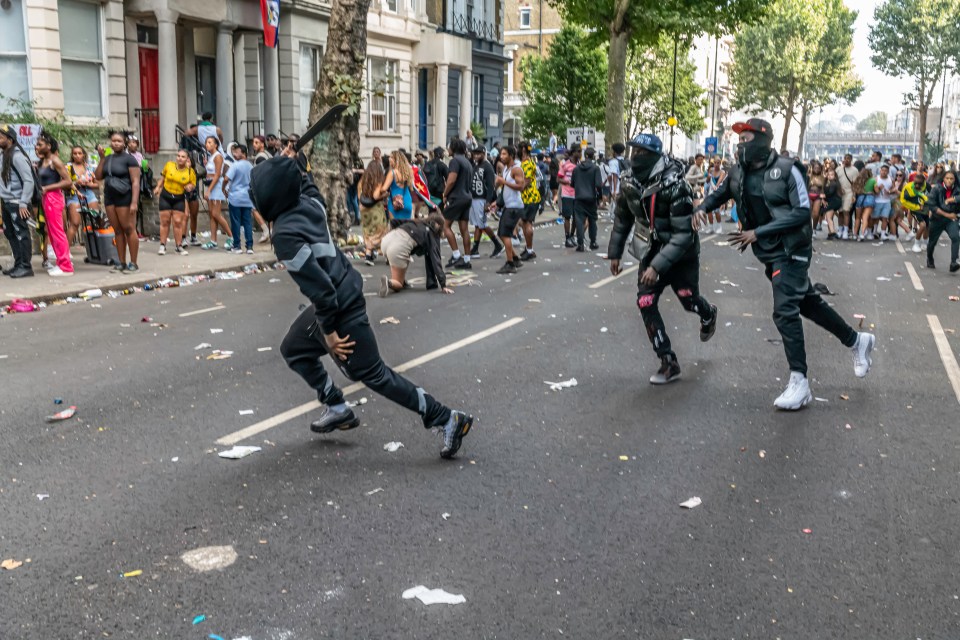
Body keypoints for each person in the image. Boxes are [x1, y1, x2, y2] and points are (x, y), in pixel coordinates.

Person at [250, 154, 473, 458]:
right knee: (294, 348)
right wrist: (294, 165)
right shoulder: (309, 203)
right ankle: (336, 405)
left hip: (338, 305)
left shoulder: (285, 236)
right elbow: (308, 184)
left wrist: (328, 333)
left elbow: (323, 291)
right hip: (342, 291)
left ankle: (446, 418)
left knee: (373, 374)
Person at [696, 119, 875, 410]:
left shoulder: (788, 170)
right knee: (808, 304)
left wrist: (758, 232)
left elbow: (802, 213)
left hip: (793, 249)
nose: (741, 143)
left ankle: (799, 381)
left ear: (763, 140)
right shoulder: (738, 171)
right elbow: (723, 192)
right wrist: (702, 208)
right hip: (769, 252)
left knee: (784, 311)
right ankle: (857, 341)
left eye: (747, 137)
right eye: (739, 139)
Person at [609, 133, 718, 384]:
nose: (635, 157)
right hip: (650, 250)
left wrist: (657, 267)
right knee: (645, 301)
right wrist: (615, 253)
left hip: (681, 255)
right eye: (633, 151)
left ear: (655, 156)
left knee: (688, 299)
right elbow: (622, 218)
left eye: (642, 153)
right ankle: (668, 360)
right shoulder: (628, 182)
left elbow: (683, 235)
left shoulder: (676, 186)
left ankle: (708, 313)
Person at [94, 131, 141, 272]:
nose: (116, 143)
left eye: (119, 141)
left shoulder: (130, 159)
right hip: (110, 197)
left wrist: (134, 202)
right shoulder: (107, 158)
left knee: (129, 228)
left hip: (124, 197)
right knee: (117, 230)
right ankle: (121, 262)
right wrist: (102, 158)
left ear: (124, 143)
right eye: (113, 141)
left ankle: (133, 262)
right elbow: (98, 176)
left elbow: (135, 182)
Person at [379, 213, 455, 296]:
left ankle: (402, 280)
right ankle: (389, 282)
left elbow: (393, 221)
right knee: (398, 283)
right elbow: (436, 259)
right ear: (438, 226)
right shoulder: (431, 233)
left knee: (405, 258)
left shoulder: (416, 222)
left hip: (386, 240)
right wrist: (443, 285)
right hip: (398, 248)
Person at [35, 131, 74, 276]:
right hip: (46, 198)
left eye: (40, 144)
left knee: (57, 232)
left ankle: (66, 266)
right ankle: (61, 263)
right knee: (51, 233)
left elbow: (68, 181)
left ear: (49, 146)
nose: (37, 146)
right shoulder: (43, 161)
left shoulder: (55, 161)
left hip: (54, 197)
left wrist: (46, 188)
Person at [0, 125, 36, 277]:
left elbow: (29, 181)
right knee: (10, 233)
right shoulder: (4, 155)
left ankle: (26, 266)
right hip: (7, 201)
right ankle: (18, 263)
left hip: (18, 202)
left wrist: (23, 203)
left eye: (1, 137)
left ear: (10, 139)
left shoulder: (17, 156)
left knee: (21, 233)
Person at [154, 149, 196, 255]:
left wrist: (189, 187)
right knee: (165, 221)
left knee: (177, 222)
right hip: (166, 196)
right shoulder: (169, 165)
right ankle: (162, 246)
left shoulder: (190, 171)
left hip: (179, 198)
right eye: (178, 156)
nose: (180, 158)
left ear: (187, 159)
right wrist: (158, 187)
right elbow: (163, 178)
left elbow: (193, 184)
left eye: (183, 157)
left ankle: (179, 246)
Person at [441, 138, 474, 268]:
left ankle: (456, 255)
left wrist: (445, 194)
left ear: (453, 149)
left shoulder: (454, 161)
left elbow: (451, 180)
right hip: (467, 197)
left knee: (445, 225)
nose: (447, 150)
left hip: (456, 197)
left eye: (449, 147)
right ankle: (466, 259)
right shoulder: (467, 162)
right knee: (464, 229)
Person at [495, 145, 527, 274]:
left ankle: (510, 264)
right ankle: (515, 258)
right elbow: (506, 190)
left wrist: (503, 181)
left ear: (511, 155)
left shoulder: (516, 169)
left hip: (514, 207)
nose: (501, 157)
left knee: (504, 234)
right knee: (502, 233)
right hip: (509, 205)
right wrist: (496, 203)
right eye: (501, 154)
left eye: (504, 154)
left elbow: (521, 186)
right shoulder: (507, 169)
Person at [468, 145, 504, 258]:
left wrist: (488, 202)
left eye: (479, 153)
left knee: (482, 224)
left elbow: (491, 186)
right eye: (475, 153)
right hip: (474, 198)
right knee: (478, 225)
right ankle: (475, 249)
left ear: (484, 154)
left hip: (481, 199)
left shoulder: (487, 167)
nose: (476, 155)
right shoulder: (476, 165)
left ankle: (497, 245)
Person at [221, 143, 255, 254]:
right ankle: (249, 246)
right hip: (247, 198)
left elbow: (226, 178)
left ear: (243, 153)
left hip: (235, 197)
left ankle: (237, 246)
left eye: (237, 151)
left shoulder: (235, 165)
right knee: (247, 222)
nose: (235, 153)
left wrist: (223, 188)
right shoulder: (251, 166)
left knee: (235, 222)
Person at [202, 135, 233, 250]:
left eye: (210, 142)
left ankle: (231, 236)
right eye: (206, 142)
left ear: (216, 144)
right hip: (210, 183)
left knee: (216, 213)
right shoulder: (211, 157)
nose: (207, 144)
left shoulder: (218, 156)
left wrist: (209, 190)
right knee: (211, 214)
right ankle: (213, 240)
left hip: (216, 186)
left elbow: (218, 174)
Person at [925, 170, 960, 271]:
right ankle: (930, 258)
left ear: (955, 179)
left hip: (951, 220)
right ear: (943, 179)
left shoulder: (957, 189)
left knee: (955, 237)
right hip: (937, 219)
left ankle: (954, 262)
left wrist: (953, 199)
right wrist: (947, 215)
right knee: (932, 242)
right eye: (947, 178)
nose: (949, 180)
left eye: (951, 178)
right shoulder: (936, 189)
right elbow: (932, 205)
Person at [571, 146, 603, 252]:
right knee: (592, 220)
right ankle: (593, 242)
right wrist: (600, 198)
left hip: (579, 197)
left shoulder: (576, 169)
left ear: (585, 155)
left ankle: (580, 244)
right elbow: (598, 185)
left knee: (579, 221)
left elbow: (572, 184)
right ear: (593, 156)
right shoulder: (595, 168)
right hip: (591, 198)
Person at [65, 146, 99, 245]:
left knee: (95, 222)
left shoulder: (89, 167)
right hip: (74, 195)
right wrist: (76, 182)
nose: (77, 155)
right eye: (75, 153)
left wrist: (89, 184)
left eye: (80, 153)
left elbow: (97, 185)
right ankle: (64, 252)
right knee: (75, 223)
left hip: (89, 194)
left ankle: (97, 248)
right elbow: (65, 184)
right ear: (72, 155)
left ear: (84, 154)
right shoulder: (68, 167)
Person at [358, 160, 388, 265]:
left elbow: (359, 194)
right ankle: (387, 256)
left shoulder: (364, 179)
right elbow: (375, 196)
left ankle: (368, 254)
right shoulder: (378, 180)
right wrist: (384, 195)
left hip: (363, 208)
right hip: (375, 209)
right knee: (380, 231)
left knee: (368, 231)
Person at [517, 141, 541, 260]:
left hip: (529, 198)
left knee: (527, 223)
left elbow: (525, 183)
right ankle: (528, 248)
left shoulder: (526, 164)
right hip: (529, 198)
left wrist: (515, 189)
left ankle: (530, 250)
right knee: (524, 222)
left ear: (523, 150)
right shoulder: (529, 162)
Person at [381, 150, 415, 226]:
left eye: (391, 158)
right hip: (407, 201)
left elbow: (384, 189)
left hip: (395, 203)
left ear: (395, 160)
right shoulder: (408, 172)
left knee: (395, 229)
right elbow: (411, 187)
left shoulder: (392, 173)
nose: (389, 159)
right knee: (406, 229)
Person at [250, 135, 273, 243]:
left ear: (262, 144)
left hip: (263, 186)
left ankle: (265, 230)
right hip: (270, 185)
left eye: (256, 142)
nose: (254, 145)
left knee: (253, 208)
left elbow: (262, 173)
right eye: (254, 142)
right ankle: (271, 231)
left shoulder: (260, 157)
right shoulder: (268, 154)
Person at [901, 171, 930, 253]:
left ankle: (925, 243)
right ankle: (916, 244)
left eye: (920, 183)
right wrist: (916, 207)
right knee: (922, 225)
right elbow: (903, 201)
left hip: (925, 208)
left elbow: (931, 196)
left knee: (928, 226)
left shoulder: (927, 186)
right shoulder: (908, 188)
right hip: (915, 209)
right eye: (916, 183)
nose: (917, 185)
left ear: (924, 182)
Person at [557, 149, 579, 247]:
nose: (580, 153)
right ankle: (567, 238)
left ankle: (571, 236)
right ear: (573, 153)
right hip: (567, 194)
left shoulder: (580, 165)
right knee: (567, 217)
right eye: (578, 151)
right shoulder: (565, 165)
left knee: (576, 217)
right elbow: (558, 179)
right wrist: (568, 182)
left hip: (577, 194)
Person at [837, 153, 858, 240]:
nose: (846, 160)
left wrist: (854, 195)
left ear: (851, 160)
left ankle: (846, 230)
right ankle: (840, 230)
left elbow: (855, 184)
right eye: (845, 158)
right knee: (840, 212)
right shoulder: (838, 169)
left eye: (848, 158)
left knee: (846, 211)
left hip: (849, 193)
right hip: (839, 193)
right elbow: (835, 181)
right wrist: (838, 189)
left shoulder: (854, 170)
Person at [183, 154, 202, 248]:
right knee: (185, 215)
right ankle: (183, 238)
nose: (187, 163)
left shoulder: (194, 171)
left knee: (194, 215)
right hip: (183, 194)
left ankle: (193, 236)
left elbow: (204, 171)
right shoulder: (180, 171)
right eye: (186, 161)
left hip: (193, 194)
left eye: (189, 161)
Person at [703, 158, 727, 234]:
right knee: (709, 211)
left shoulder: (722, 172)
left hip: (717, 192)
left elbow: (720, 181)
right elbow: (707, 181)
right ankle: (711, 227)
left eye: (718, 163)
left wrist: (715, 186)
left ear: (720, 164)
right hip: (710, 192)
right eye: (715, 163)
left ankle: (719, 227)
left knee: (716, 211)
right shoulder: (711, 170)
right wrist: (708, 177)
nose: (716, 164)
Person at [872, 164, 895, 241]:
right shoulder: (876, 179)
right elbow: (873, 190)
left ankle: (883, 234)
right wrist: (878, 188)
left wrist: (889, 191)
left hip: (887, 201)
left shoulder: (891, 179)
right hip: (877, 201)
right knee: (876, 218)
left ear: (888, 172)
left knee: (885, 218)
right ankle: (874, 232)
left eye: (885, 171)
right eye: (882, 170)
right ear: (880, 171)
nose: (884, 172)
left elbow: (893, 189)